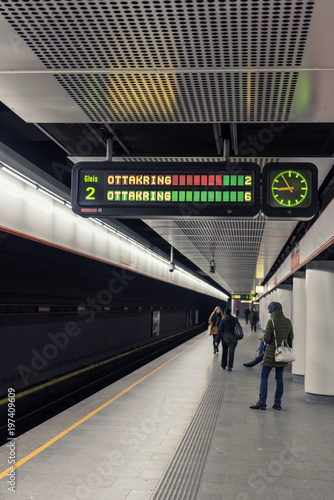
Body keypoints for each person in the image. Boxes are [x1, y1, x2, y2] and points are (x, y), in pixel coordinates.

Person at [249, 302, 294, 410]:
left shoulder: (271, 321)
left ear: (271, 310)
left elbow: (268, 339)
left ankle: (262, 402)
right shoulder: (288, 321)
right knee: (279, 378)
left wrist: (265, 337)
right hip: (282, 354)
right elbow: (290, 337)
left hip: (271, 354)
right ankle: (277, 403)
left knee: (264, 376)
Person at [215, 307, 239, 371]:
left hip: (225, 338)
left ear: (225, 313)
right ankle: (230, 366)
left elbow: (219, 331)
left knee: (224, 351)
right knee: (231, 352)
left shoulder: (223, 320)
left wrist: (216, 340)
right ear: (230, 312)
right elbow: (238, 328)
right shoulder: (234, 319)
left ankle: (223, 365)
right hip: (233, 339)